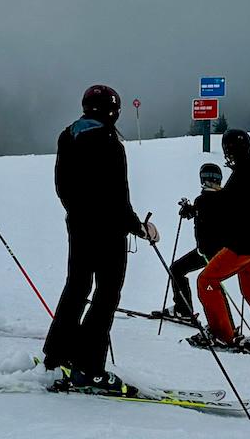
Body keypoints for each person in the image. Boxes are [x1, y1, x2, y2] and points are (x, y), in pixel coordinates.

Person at [41, 84, 160, 392]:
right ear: (113, 111)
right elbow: (117, 198)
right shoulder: (108, 142)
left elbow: (62, 185)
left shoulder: (68, 135)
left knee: (77, 288)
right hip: (107, 231)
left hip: (79, 226)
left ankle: (57, 355)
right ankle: (89, 367)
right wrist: (140, 228)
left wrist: (78, 214)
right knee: (106, 294)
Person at [191, 128, 250, 352]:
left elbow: (226, 203)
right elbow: (232, 202)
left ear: (229, 149)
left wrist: (200, 204)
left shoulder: (244, 172)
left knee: (207, 280)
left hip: (242, 243)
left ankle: (221, 333)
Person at [168, 163, 225, 320]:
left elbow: (206, 214)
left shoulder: (204, 200)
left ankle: (184, 310)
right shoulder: (224, 198)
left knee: (177, 270)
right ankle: (226, 323)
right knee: (211, 282)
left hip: (207, 251)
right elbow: (209, 216)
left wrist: (192, 210)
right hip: (222, 252)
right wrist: (191, 211)